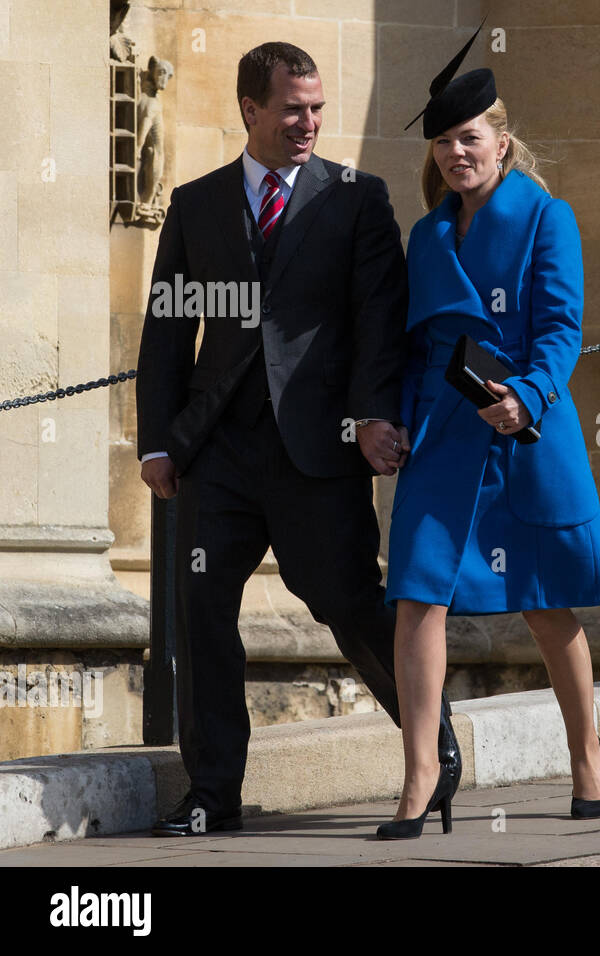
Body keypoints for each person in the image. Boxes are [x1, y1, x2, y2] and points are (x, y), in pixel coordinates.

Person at [135, 41, 458, 836]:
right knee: (202, 610)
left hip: (321, 449)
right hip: (219, 454)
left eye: (316, 108)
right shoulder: (196, 204)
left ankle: (434, 750)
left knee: (347, 601)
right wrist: (156, 442)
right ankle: (213, 793)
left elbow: (381, 322)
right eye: (292, 109)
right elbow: (168, 333)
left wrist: (376, 413)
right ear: (250, 109)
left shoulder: (357, 200)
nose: (308, 122)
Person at [378, 32, 600, 839]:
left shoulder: (548, 218)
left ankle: (587, 756)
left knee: (546, 606)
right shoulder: (427, 238)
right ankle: (420, 777)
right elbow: (417, 349)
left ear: (501, 140)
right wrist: (402, 424)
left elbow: (562, 331)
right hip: (444, 436)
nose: (456, 153)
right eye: (445, 142)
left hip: (523, 430)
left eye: (469, 138)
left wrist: (524, 397)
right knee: (417, 597)